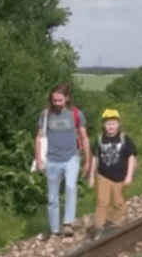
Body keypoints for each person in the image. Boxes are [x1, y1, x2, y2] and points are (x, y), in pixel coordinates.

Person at [34, 84, 90, 239]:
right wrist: (39, 158)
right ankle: (54, 229)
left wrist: (87, 159)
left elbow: (84, 136)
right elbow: (39, 137)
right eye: (54, 100)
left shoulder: (75, 114)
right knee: (52, 197)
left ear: (66, 98)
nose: (57, 102)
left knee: (71, 187)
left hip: (71, 157)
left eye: (60, 99)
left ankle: (67, 223)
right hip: (52, 160)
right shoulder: (46, 115)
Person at [87, 109, 138, 233]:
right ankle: (99, 227)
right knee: (102, 202)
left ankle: (116, 225)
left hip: (120, 177)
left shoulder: (124, 139)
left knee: (118, 202)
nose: (111, 126)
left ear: (118, 124)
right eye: (108, 123)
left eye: (113, 123)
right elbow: (95, 159)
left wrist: (129, 176)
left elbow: (131, 158)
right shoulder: (99, 140)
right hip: (103, 176)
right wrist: (91, 177)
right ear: (104, 125)